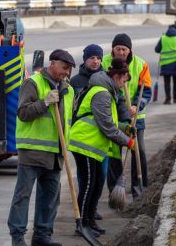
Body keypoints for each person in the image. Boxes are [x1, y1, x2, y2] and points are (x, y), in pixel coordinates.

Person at [8, 49, 76, 246]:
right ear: (52, 64)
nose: (66, 73)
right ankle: (18, 237)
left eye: (69, 70)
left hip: (56, 153)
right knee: (23, 195)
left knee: (50, 196)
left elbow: (68, 120)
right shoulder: (33, 83)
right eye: (64, 68)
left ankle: (42, 235)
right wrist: (46, 102)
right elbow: (23, 113)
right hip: (33, 151)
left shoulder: (68, 90)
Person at [69, 57, 135, 237]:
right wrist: (126, 141)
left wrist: (126, 128)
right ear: (116, 76)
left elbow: (110, 122)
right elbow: (106, 126)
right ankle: (81, 224)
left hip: (94, 145)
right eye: (123, 81)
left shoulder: (109, 92)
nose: (124, 85)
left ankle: (89, 221)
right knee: (89, 184)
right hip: (85, 143)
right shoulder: (102, 93)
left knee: (97, 184)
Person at [103, 33, 152, 199]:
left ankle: (140, 187)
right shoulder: (104, 62)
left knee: (139, 151)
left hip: (135, 117)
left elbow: (146, 90)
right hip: (114, 116)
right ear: (113, 49)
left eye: (124, 49)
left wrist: (137, 106)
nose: (121, 52)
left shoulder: (141, 65)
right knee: (114, 154)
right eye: (118, 49)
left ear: (130, 50)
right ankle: (115, 191)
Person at [69, 44, 107, 222]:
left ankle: (92, 211)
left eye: (99, 58)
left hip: (101, 138)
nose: (96, 61)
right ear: (85, 59)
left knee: (99, 178)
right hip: (83, 137)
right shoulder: (76, 81)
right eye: (92, 58)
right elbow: (71, 109)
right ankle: (84, 216)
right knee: (87, 179)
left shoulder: (105, 80)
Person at [154, 25, 176, 104]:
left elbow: (157, 50)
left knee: (167, 82)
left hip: (166, 64)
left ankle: (168, 99)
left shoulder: (163, 38)